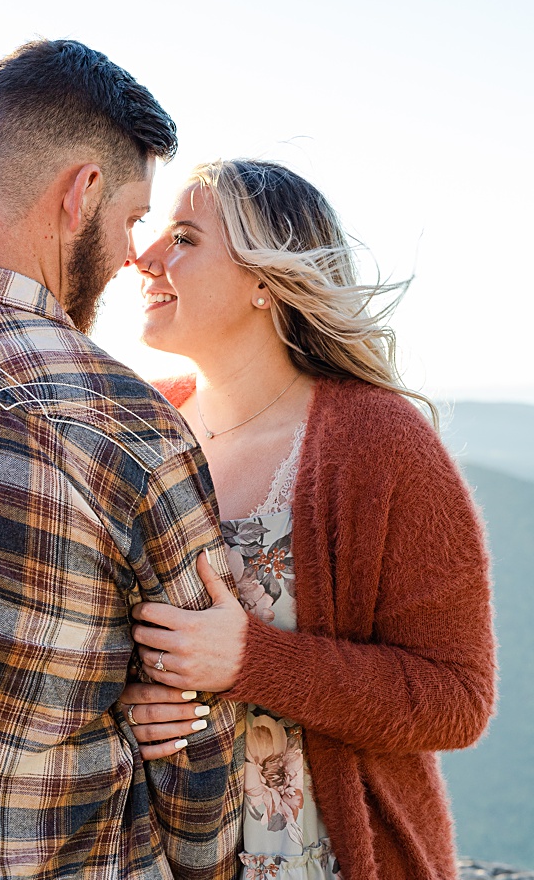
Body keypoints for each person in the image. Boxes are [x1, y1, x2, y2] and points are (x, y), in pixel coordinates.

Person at [123, 159, 496, 879]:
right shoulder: (143, 422)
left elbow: (458, 698)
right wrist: (136, 702)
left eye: (186, 239)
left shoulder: (378, 441)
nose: (144, 258)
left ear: (266, 281)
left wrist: (250, 662)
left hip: (324, 859)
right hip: (158, 851)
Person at [0, 40, 243, 880]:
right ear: (82, 193)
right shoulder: (124, 421)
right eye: (134, 219)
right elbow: (196, 739)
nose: (131, 256)